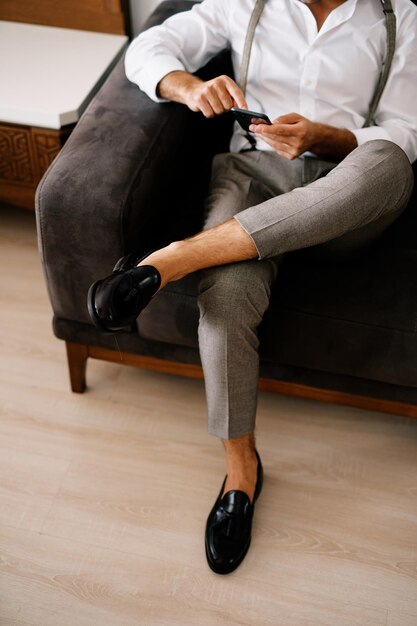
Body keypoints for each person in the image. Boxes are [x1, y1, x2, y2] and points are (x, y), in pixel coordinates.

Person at [87, 0, 417, 574]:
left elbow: (406, 133)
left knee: (389, 160)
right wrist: (186, 86)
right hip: (253, 179)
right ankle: (241, 472)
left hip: (345, 189)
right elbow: (147, 47)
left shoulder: (403, 16)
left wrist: (330, 138)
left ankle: (173, 259)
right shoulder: (242, 1)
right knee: (228, 296)